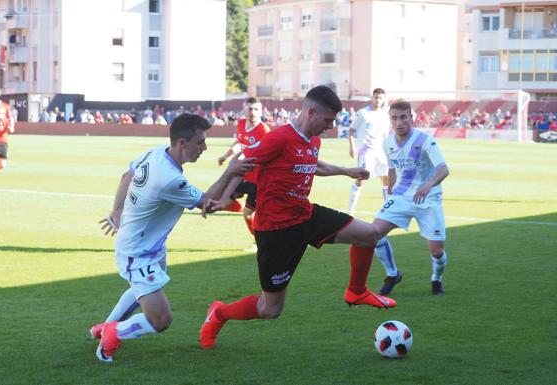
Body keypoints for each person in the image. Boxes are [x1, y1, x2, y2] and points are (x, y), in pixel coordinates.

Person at [198, 85, 396, 350]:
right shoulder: (278, 138)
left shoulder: (313, 139)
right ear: (311, 112)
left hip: (306, 215)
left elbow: (313, 165)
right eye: (327, 120)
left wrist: (347, 171)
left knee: (369, 234)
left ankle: (356, 291)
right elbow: (239, 168)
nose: (330, 126)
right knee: (270, 309)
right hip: (276, 230)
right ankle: (219, 312)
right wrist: (219, 198)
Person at [91, 113, 255, 363]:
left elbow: (127, 175)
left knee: (143, 290)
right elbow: (206, 205)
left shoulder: (157, 152)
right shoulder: (169, 180)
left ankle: (105, 327)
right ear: (181, 143)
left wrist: (117, 210)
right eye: (200, 142)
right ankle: (113, 334)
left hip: (149, 246)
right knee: (161, 320)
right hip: (137, 252)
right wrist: (230, 172)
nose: (204, 148)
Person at [371, 99, 450, 296]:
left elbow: (443, 169)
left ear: (411, 118)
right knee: (372, 234)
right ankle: (392, 274)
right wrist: (389, 191)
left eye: (403, 117)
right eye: (394, 118)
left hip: (429, 198)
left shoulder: (425, 140)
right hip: (401, 196)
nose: (399, 122)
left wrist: (428, 184)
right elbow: (392, 170)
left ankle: (436, 279)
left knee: (436, 251)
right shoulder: (387, 143)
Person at [217, 97, 270, 248]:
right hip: (243, 176)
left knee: (248, 215)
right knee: (222, 200)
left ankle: (259, 242)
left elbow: (266, 156)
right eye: (250, 109)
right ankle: (239, 207)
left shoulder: (264, 131)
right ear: (244, 110)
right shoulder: (241, 124)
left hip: (258, 181)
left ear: (261, 111)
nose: (252, 112)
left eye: (256, 109)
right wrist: (225, 156)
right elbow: (239, 143)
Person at [347, 88, 390, 215]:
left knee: (385, 179)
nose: (378, 100)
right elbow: (351, 130)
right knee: (361, 180)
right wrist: (352, 147)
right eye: (376, 97)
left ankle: (388, 210)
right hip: (366, 152)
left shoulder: (384, 115)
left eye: (381, 98)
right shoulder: (363, 113)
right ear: (372, 97)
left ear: (383, 100)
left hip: (380, 152)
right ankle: (350, 212)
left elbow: (385, 136)